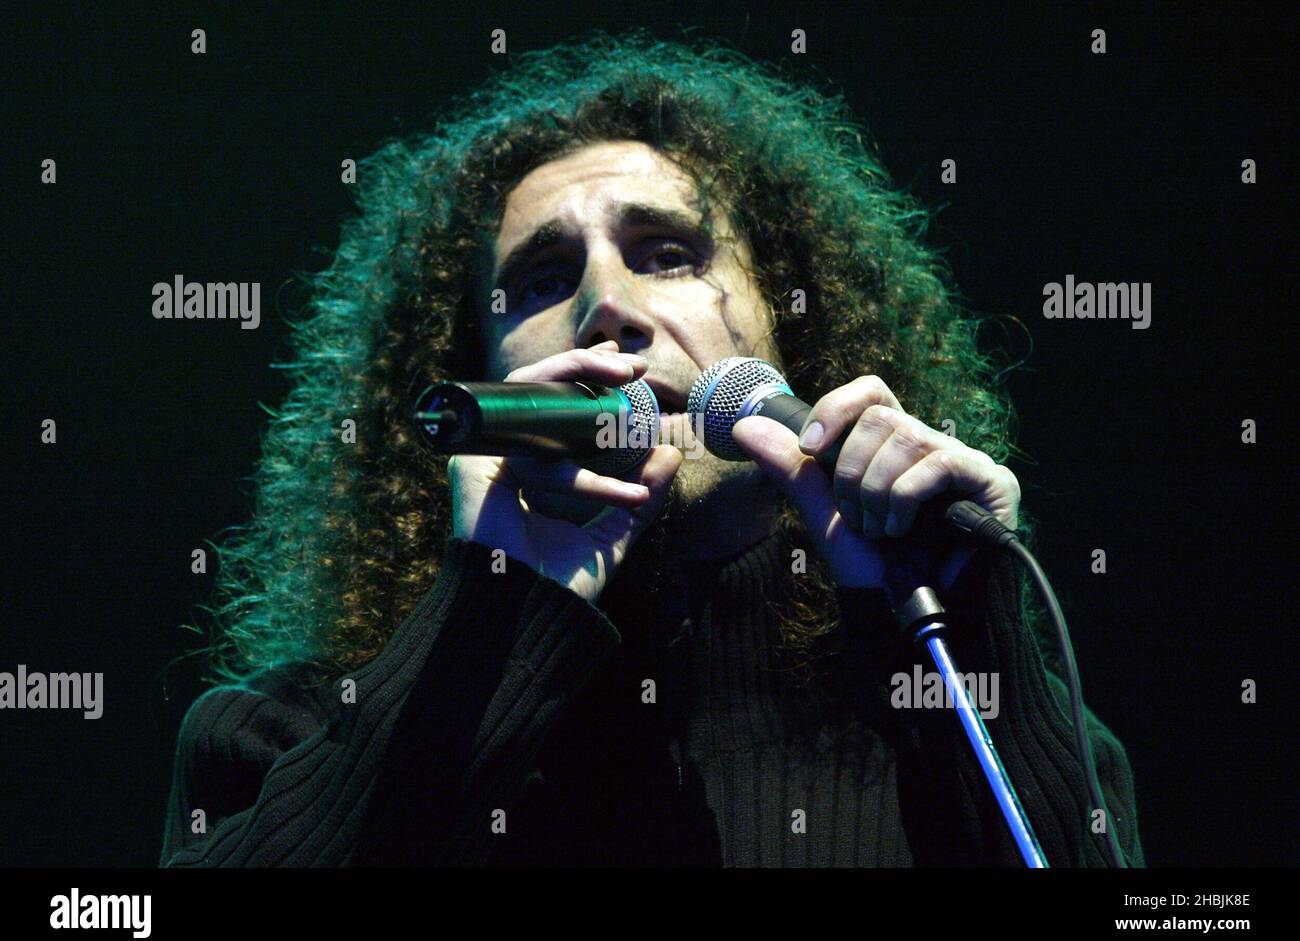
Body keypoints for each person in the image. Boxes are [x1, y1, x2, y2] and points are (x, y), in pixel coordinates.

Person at [160, 31, 1143, 867]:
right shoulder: (274, 738)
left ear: (788, 330)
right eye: (543, 278)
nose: (606, 308)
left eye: (665, 255)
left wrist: (966, 629)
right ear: (483, 368)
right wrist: (492, 614)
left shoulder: (962, 723)